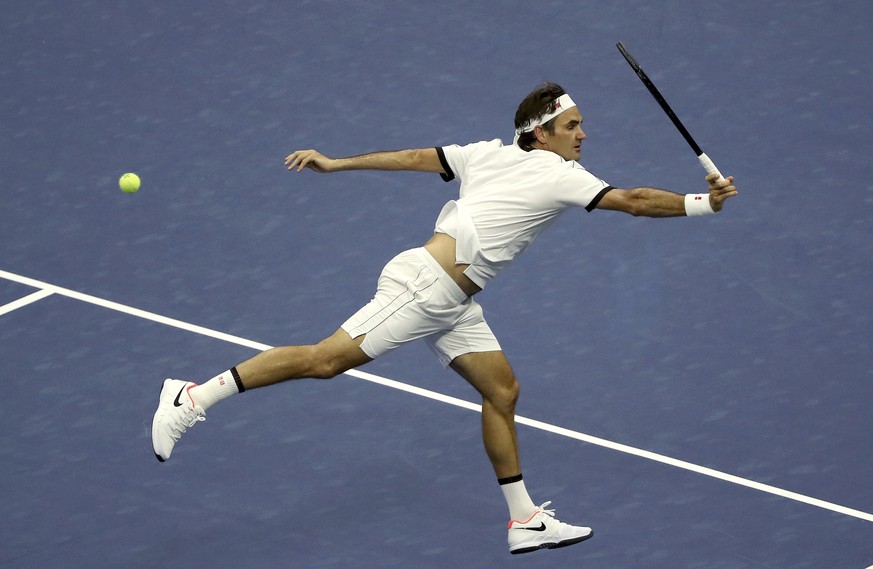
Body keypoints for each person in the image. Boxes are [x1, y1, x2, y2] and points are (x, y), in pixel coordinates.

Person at [151, 81, 738, 554]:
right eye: (572, 126)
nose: (583, 134)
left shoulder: (488, 153)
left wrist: (337, 164)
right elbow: (633, 201)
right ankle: (193, 397)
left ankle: (523, 521)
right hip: (425, 289)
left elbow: (414, 157)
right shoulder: (560, 173)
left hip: (451, 302)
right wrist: (701, 203)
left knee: (502, 389)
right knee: (326, 361)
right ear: (540, 133)